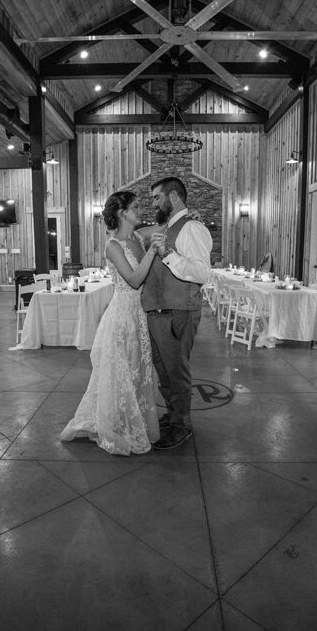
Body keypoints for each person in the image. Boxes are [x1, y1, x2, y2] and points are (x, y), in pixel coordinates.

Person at [60, 191, 161, 455]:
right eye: (136, 207)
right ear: (122, 213)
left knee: (138, 369)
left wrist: (191, 219)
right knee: (121, 371)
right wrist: (152, 251)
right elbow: (135, 279)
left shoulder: (137, 236)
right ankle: (110, 423)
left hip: (139, 313)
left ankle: (131, 419)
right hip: (122, 315)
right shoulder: (113, 246)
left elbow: (161, 227)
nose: (141, 210)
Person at [142, 176, 212, 450]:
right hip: (160, 312)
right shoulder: (168, 226)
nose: (153, 203)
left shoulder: (191, 227)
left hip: (177, 312)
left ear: (172, 198)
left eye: (156, 197)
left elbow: (202, 273)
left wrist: (167, 254)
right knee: (165, 372)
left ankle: (182, 426)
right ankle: (173, 416)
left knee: (176, 373)